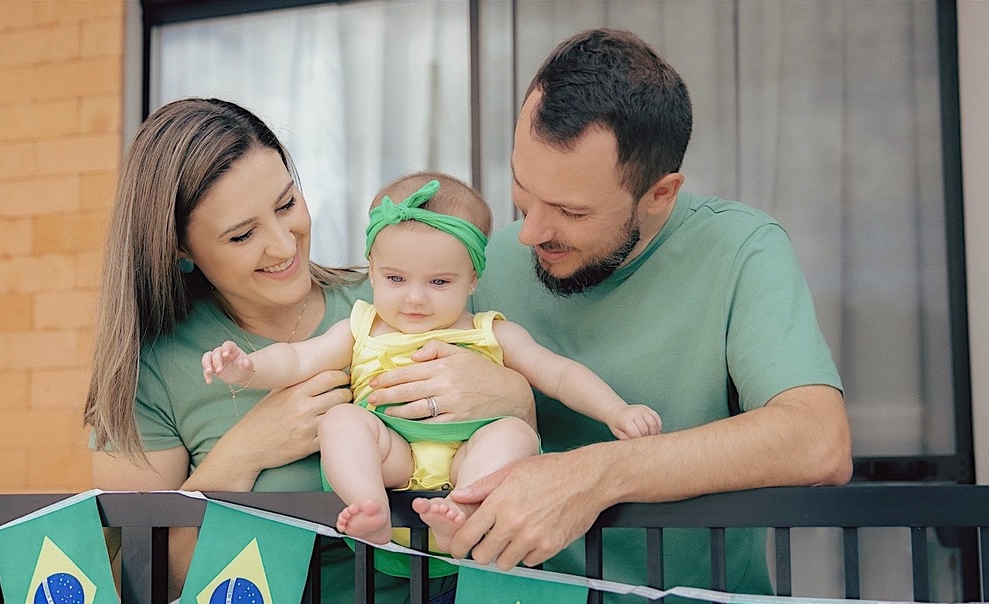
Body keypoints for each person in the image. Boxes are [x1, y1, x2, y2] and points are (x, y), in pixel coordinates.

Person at [362, 29, 853, 604]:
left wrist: (596, 472)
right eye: (522, 193)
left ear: (660, 193)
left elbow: (818, 437)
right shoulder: (471, 261)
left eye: (566, 210)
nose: (527, 234)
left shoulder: (742, 251)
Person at [83, 98, 525, 604]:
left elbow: (516, 412)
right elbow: (127, 585)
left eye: (287, 203)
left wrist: (512, 399)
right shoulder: (154, 371)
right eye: (240, 235)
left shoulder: (392, 300)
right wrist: (244, 451)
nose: (284, 244)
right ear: (179, 249)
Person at [203, 171, 661, 554]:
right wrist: (247, 369)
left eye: (439, 281)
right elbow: (298, 359)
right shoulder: (362, 326)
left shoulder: (489, 332)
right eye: (395, 278)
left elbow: (559, 374)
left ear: (472, 279)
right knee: (342, 421)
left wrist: (616, 410)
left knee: (513, 433)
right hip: (393, 457)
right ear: (372, 268)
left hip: (469, 459)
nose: (415, 298)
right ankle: (369, 507)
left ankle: (464, 513)